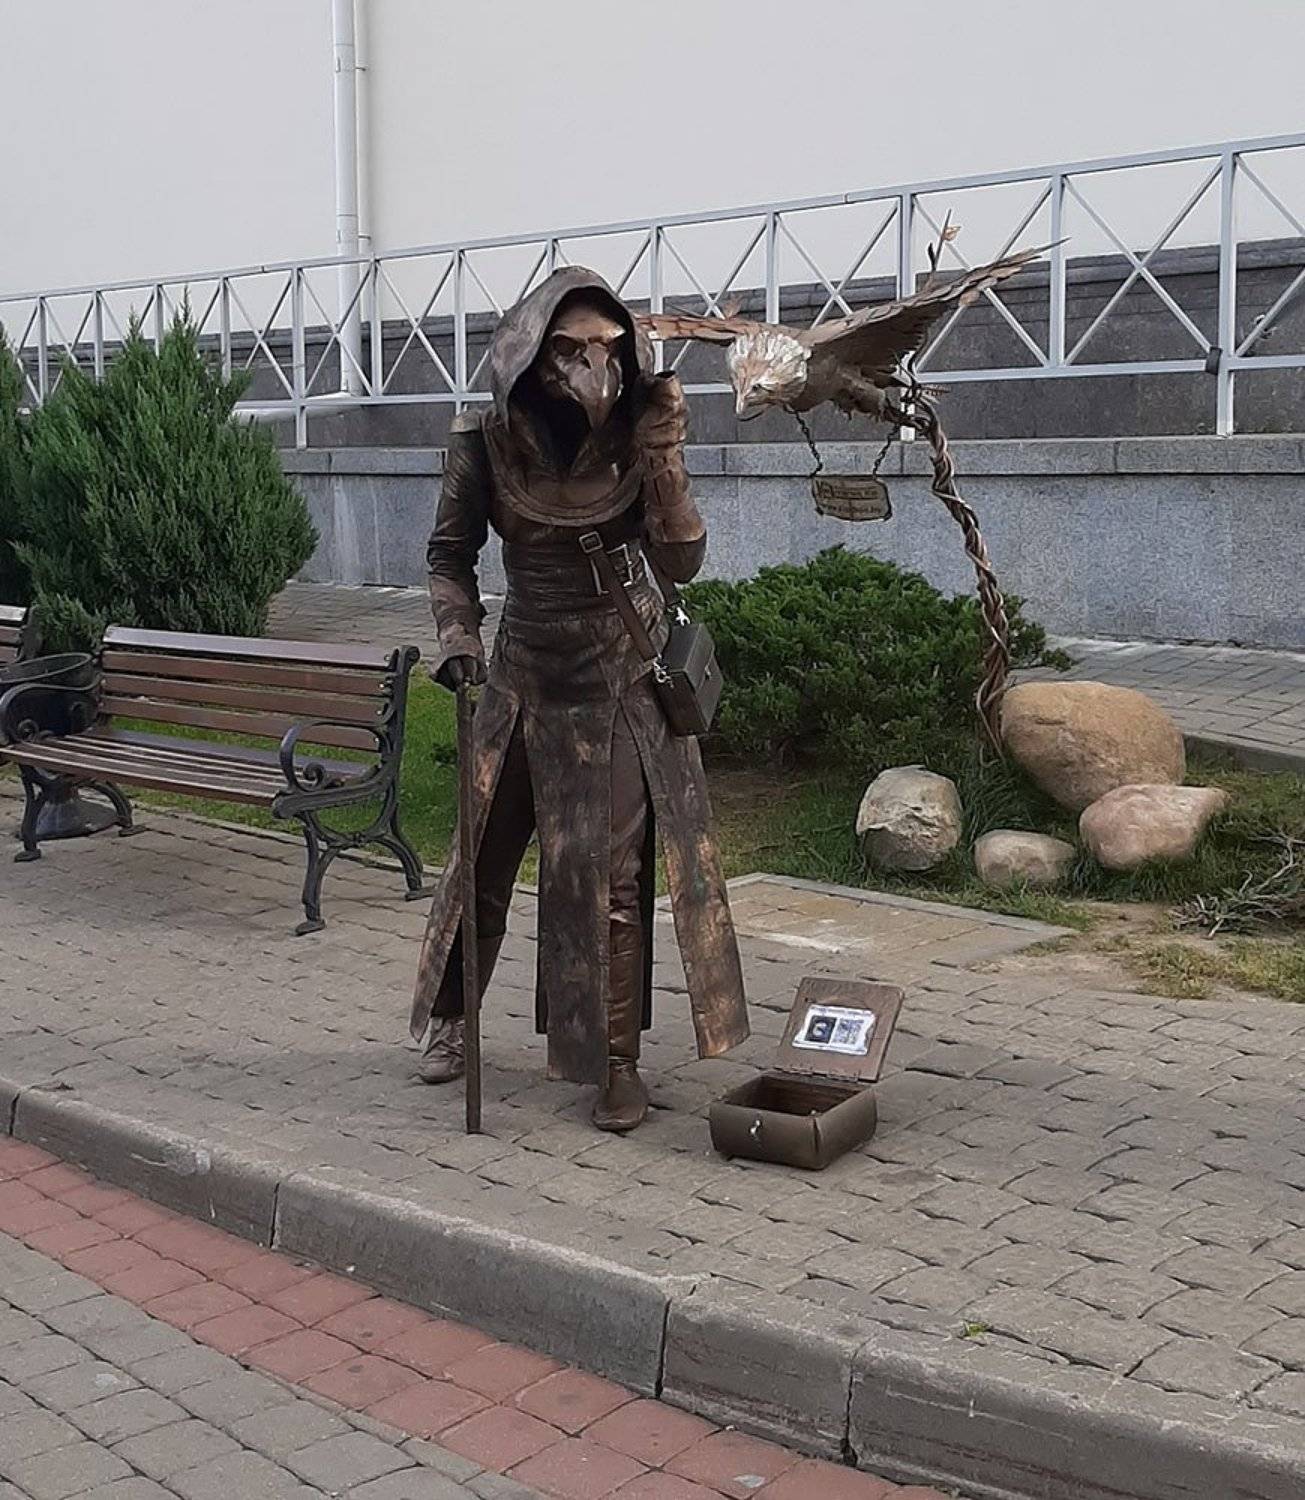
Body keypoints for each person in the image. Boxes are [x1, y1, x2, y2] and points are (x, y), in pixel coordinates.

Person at [409, 266, 749, 1132]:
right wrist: (458, 639)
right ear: (529, 356)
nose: (591, 367)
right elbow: (448, 555)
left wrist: (664, 458)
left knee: (614, 883)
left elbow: (680, 561)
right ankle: (452, 1018)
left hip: (619, 677)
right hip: (523, 672)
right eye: (568, 349)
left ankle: (616, 1058)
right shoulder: (485, 440)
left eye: (606, 348)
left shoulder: (642, 431)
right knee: (483, 864)